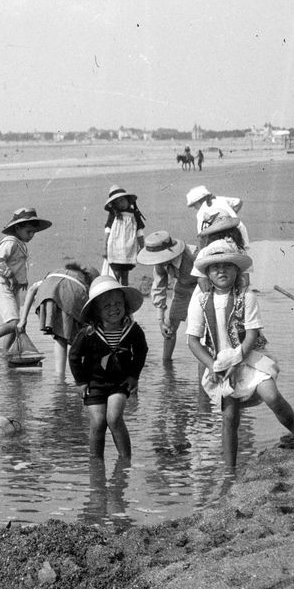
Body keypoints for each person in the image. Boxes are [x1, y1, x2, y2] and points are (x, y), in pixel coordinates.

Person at [186, 239, 294, 467]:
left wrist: (237, 359)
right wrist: (212, 366)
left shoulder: (247, 296)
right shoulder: (200, 301)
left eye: (227, 265)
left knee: (272, 396)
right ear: (208, 274)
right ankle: (230, 471)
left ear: (237, 270)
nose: (221, 270)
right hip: (220, 364)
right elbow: (193, 341)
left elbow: (251, 335)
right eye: (214, 267)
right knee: (229, 416)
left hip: (249, 356)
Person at [68, 275, 148, 458]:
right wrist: (80, 382)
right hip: (94, 383)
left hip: (119, 383)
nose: (114, 309)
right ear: (96, 311)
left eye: (118, 303)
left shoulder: (133, 329)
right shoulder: (88, 332)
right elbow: (74, 356)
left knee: (113, 418)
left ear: (125, 305)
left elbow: (141, 351)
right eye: (107, 306)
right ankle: (96, 463)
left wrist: (134, 376)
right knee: (97, 422)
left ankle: (125, 461)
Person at [0, 207, 51, 360]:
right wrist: (11, 275)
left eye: (34, 232)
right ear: (18, 227)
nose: (32, 235)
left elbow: (17, 264)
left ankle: (6, 353)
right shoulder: (10, 243)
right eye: (29, 232)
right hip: (1, 287)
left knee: (14, 326)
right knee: (15, 323)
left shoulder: (19, 243)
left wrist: (22, 280)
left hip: (10, 289)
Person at [17, 262, 98, 378]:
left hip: (47, 290)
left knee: (60, 337)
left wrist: (23, 319)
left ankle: (60, 378)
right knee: (83, 338)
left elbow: (32, 290)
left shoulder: (58, 273)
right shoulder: (83, 283)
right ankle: (79, 375)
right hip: (71, 292)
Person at [137, 231, 199, 363]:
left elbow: (209, 279)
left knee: (202, 328)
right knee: (170, 326)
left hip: (202, 287)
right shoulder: (160, 262)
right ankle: (166, 363)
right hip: (182, 287)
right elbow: (159, 287)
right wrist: (160, 321)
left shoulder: (194, 256)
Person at [102, 184, 146, 285]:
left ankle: (124, 291)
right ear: (114, 205)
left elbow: (139, 231)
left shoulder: (134, 214)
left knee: (125, 274)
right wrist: (104, 247)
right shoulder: (113, 215)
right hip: (115, 248)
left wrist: (142, 247)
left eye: (122, 200)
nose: (120, 204)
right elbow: (107, 230)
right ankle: (116, 291)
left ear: (127, 199)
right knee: (116, 273)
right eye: (117, 202)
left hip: (128, 248)